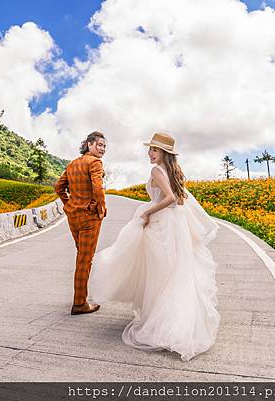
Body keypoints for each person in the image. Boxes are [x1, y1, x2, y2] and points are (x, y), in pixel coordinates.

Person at [88, 132, 220, 361]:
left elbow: (169, 198)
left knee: (160, 274)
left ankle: (164, 325)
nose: (150, 153)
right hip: (175, 225)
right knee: (175, 274)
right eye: (150, 149)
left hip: (162, 226)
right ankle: (177, 322)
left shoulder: (157, 171)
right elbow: (180, 200)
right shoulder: (173, 171)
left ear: (164, 154)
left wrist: (147, 212)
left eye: (154, 150)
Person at [54, 131, 108, 315]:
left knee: (81, 256)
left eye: (104, 146)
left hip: (73, 216)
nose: (102, 149)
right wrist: (101, 206)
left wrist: (68, 203)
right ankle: (79, 303)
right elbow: (97, 187)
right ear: (89, 145)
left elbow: (58, 187)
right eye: (99, 144)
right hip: (89, 216)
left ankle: (81, 296)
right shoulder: (95, 163)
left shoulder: (73, 164)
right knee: (85, 259)